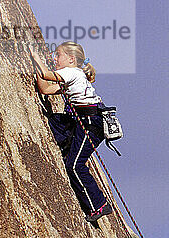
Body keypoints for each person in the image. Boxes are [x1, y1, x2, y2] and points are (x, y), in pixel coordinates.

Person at [29, 41, 113, 223]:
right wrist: (35, 69)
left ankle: (98, 204)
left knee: (75, 165)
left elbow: (46, 75)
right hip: (84, 121)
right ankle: (68, 145)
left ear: (71, 59)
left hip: (91, 124)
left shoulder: (72, 72)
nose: (54, 58)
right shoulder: (73, 76)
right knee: (56, 121)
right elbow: (45, 88)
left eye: (58, 55)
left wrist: (35, 58)